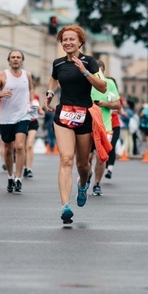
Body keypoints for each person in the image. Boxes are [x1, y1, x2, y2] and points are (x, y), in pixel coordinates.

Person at [44, 25, 107, 224]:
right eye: (64, 40)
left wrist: (85, 72)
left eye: (72, 39)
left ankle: (83, 185)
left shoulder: (90, 62)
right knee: (65, 159)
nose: (68, 43)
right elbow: (54, 79)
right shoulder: (58, 63)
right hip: (63, 114)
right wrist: (50, 93)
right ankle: (65, 206)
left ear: (80, 42)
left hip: (84, 116)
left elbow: (103, 87)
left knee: (82, 164)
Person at [0, 50, 34, 194]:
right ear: (9, 60)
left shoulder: (27, 75)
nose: (15, 60)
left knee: (20, 146)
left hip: (23, 115)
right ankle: (10, 176)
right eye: (13, 57)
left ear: (22, 60)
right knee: (8, 149)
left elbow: (31, 89)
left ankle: (18, 179)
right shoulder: (2, 75)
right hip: (7, 117)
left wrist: (32, 103)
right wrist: (2, 94)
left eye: (18, 57)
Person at [89, 60, 120, 194]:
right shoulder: (86, 82)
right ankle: (87, 173)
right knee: (86, 159)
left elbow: (118, 105)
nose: (98, 75)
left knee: (101, 157)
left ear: (104, 71)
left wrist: (105, 103)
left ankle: (96, 183)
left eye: (100, 72)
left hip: (105, 126)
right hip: (87, 125)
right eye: (95, 72)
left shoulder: (110, 84)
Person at [23, 93, 43, 179]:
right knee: (22, 147)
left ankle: (29, 168)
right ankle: (24, 166)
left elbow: (38, 108)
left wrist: (41, 111)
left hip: (33, 123)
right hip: (22, 122)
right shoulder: (20, 94)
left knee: (29, 145)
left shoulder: (36, 96)